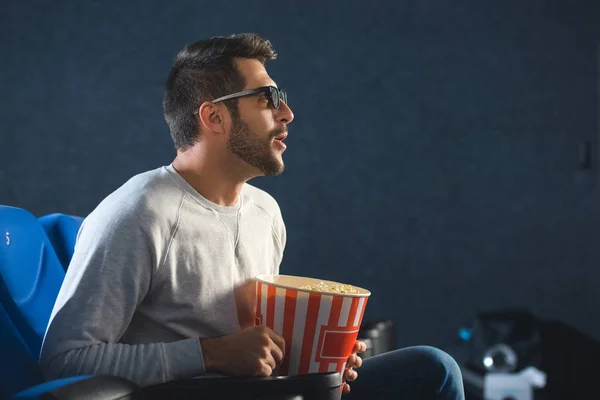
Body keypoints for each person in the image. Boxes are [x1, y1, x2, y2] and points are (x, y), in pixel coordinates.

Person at [40, 33, 465, 399]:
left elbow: (256, 349)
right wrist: (210, 354)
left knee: (432, 369)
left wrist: (319, 357)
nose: (287, 113)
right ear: (214, 117)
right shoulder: (137, 212)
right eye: (269, 99)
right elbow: (65, 360)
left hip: (268, 389)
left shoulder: (266, 212)